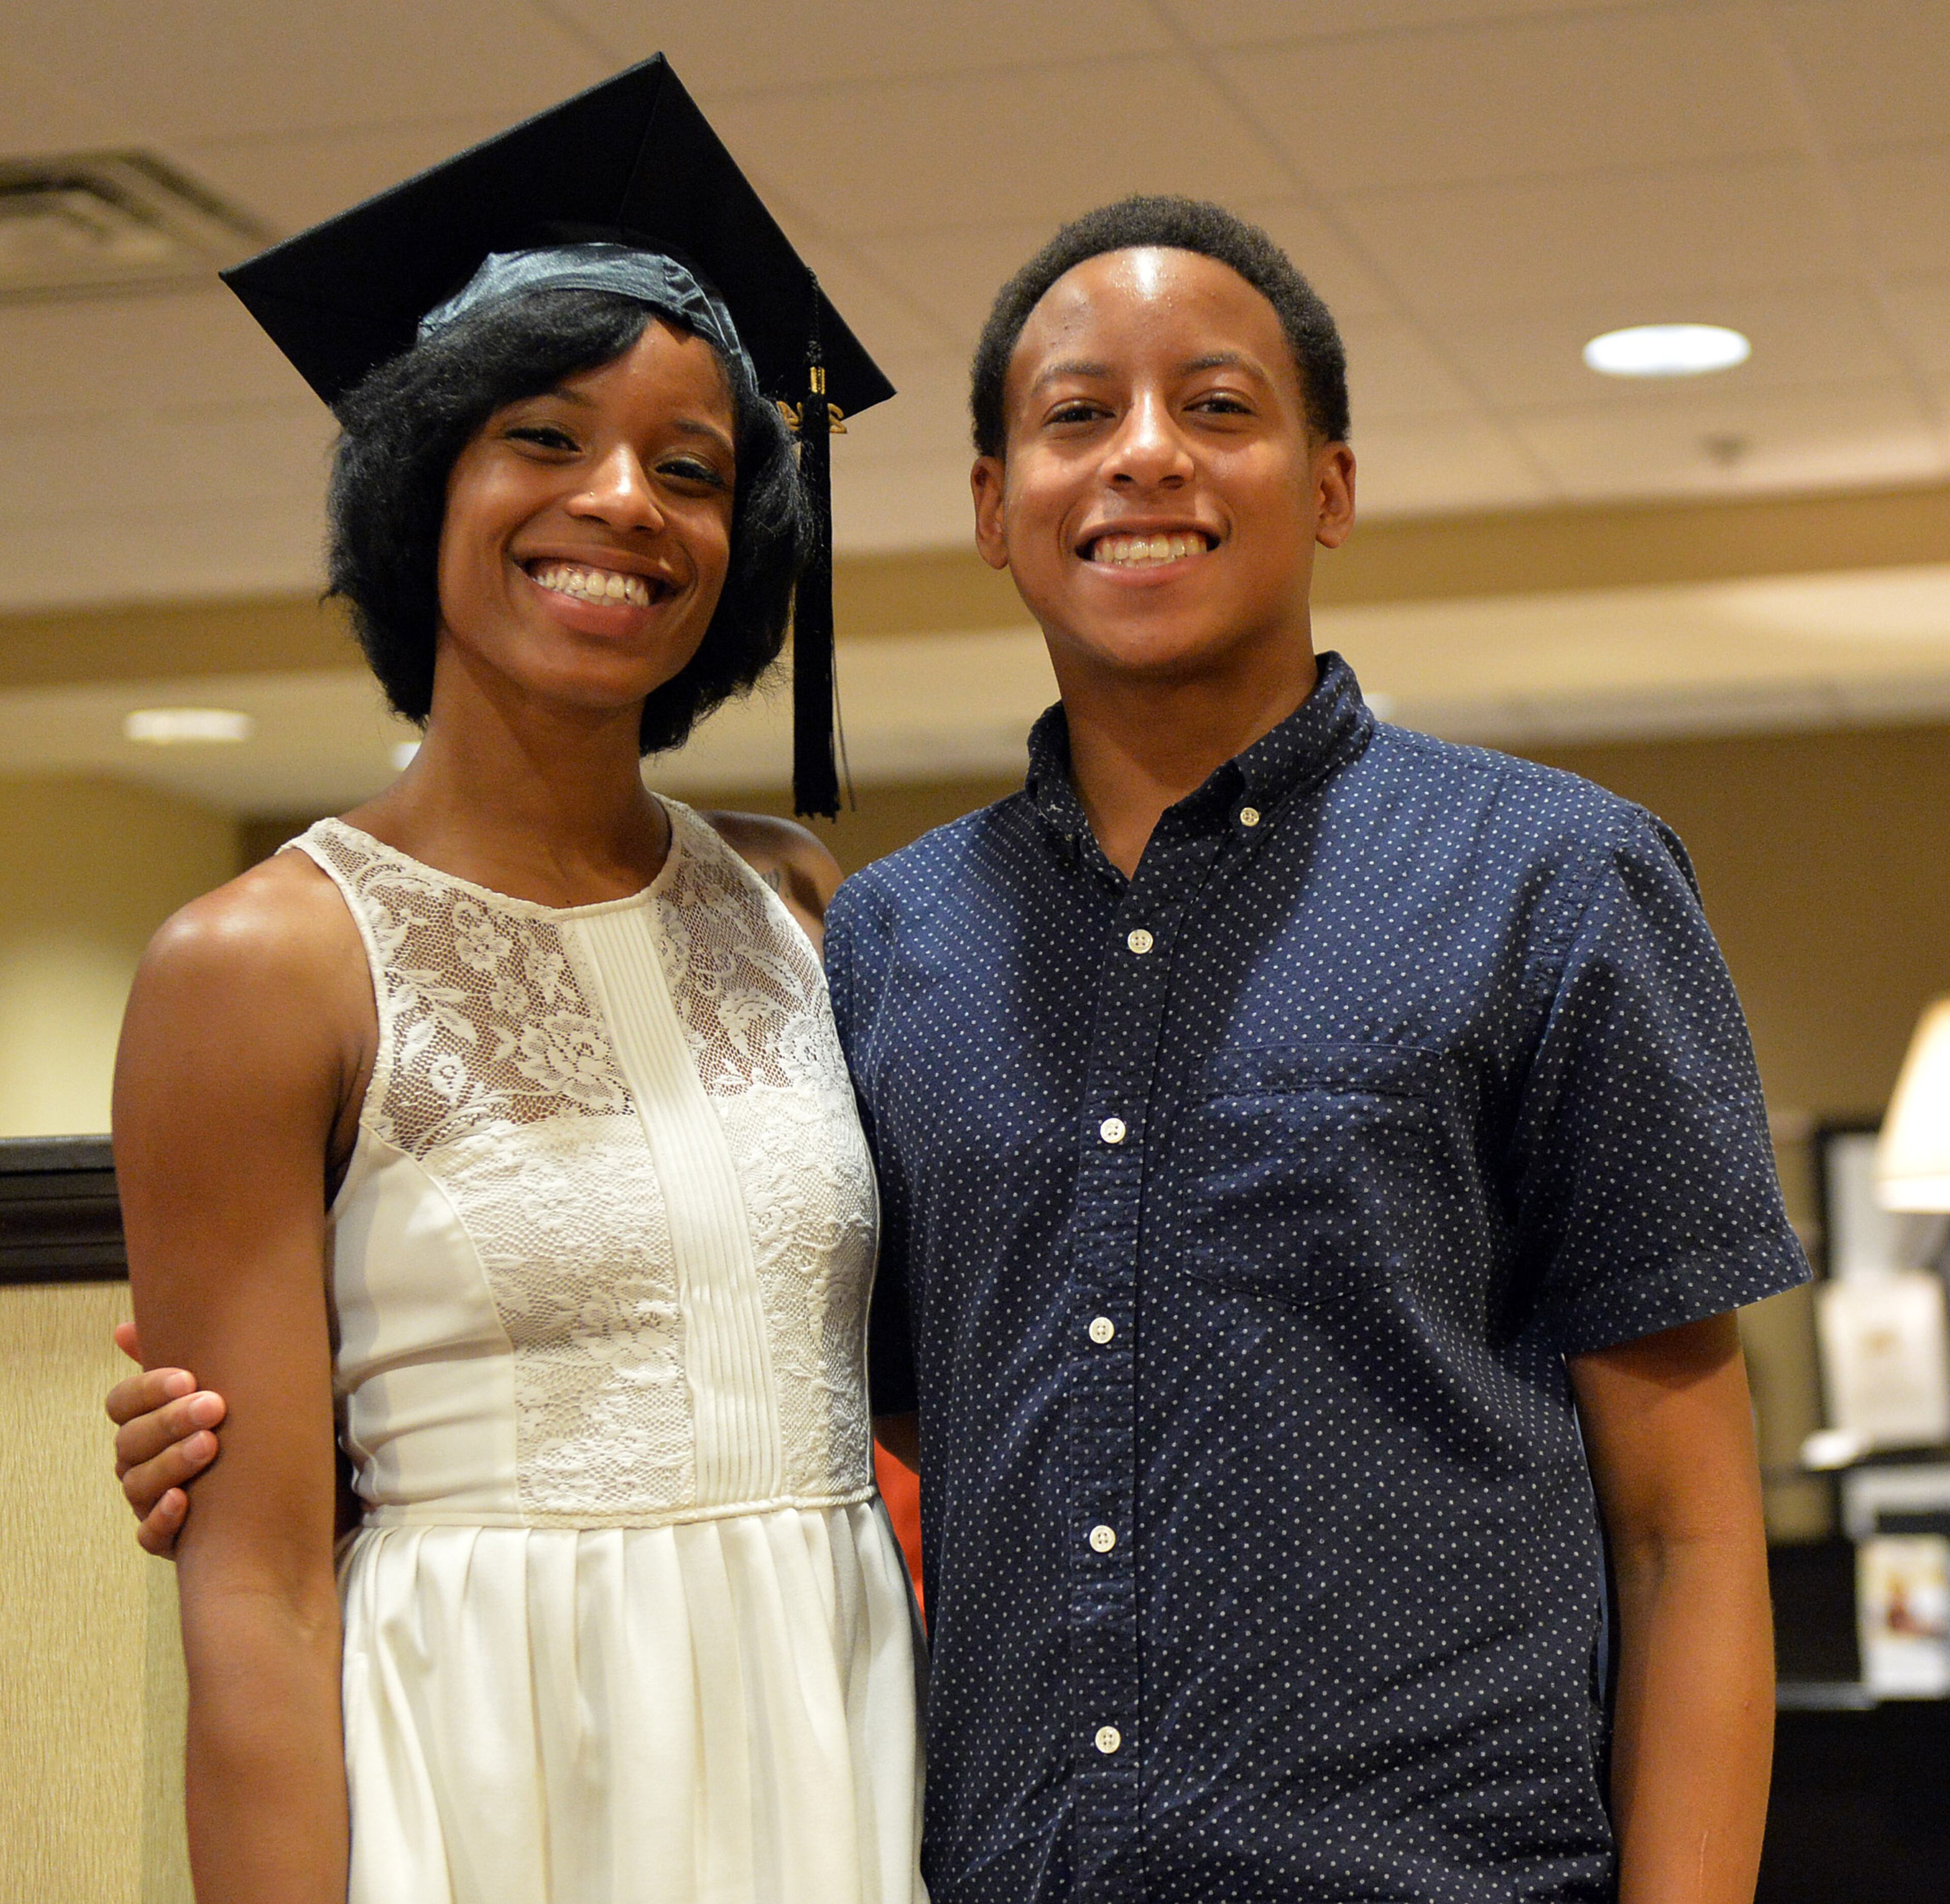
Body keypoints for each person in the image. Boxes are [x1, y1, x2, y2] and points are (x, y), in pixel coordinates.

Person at [118, 192, 1804, 1903]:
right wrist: (316, 1434)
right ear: (994, 506)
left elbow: (1686, 1529)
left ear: (1334, 484)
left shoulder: (1538, 880)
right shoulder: (901, 940)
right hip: (743, 1805)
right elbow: (910, 1374)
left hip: (1353, 1860)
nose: (1145, 457)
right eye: (1079, 416)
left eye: (1218, 407)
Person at [106, 58, 923, 1904]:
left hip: (832, 1716)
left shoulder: (798, 904)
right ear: (428, 484)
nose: (622, 503)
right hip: (489, 1765)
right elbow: (254, 1589)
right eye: (544, 439)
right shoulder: (264, 963)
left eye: (692, 469)